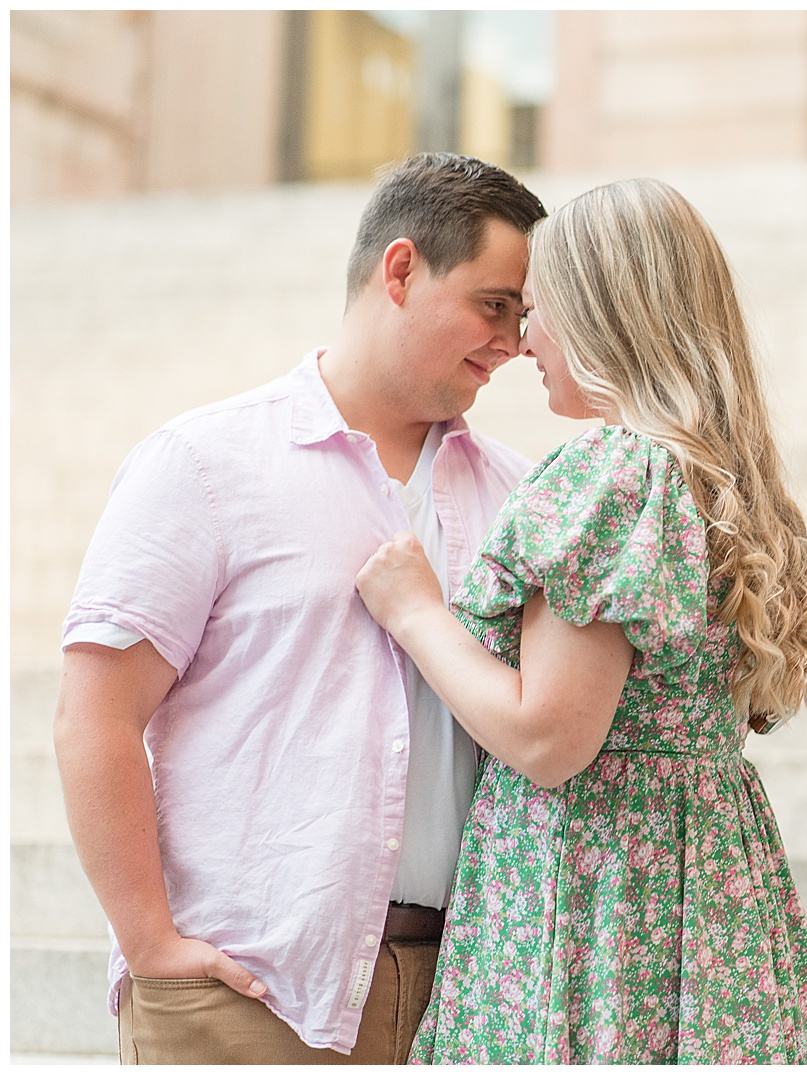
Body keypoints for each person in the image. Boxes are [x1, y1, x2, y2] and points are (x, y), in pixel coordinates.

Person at [54, 153, 547, 1064]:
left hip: (469, 996)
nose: (514, 342)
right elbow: (96, 713)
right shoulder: (204, 464)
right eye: (494, 304)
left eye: (523, 316)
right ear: (399, 270)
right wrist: (151, 943)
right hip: (245, 996)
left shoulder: (527, 496)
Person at [354, 177, 807, 1063]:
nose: (522, 340)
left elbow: (547, 737)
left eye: (538, 310)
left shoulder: (611, 474)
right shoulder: (715, 478)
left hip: (595, 891)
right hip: (701, 893)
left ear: (601, 317)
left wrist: (417, 612)